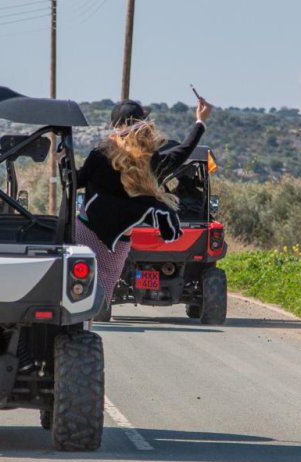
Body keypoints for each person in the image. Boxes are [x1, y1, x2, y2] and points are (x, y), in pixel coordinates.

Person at [76, 96, 212, 308]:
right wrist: (200, 121)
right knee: (97, 301)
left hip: (83, 231)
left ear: (115, 127)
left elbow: (77, 181)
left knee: (76, 294)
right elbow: (183, 151)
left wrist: (62, 164)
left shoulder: (99, 155)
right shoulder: (150, 163)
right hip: (117, 245)